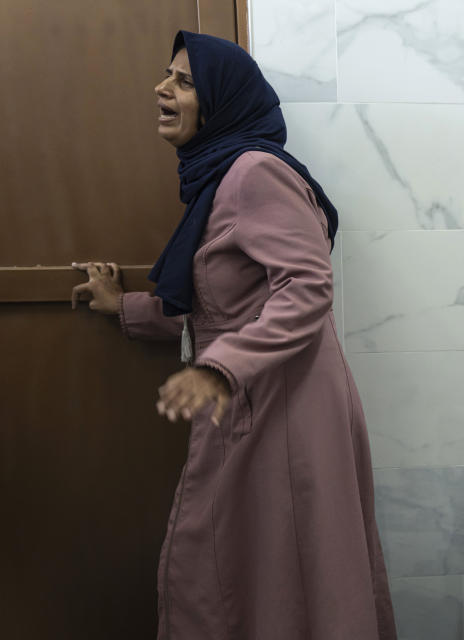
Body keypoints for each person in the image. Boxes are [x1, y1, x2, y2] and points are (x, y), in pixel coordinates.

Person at [70, 31, 396, 640]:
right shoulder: (217, 176)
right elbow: (222, 304)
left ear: (222, 99)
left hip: (288, 407)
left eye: (185, 81)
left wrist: (222, 367)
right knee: (251, 568)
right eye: (167, 75)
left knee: (282, 567)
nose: (162, 88)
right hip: (260, 396)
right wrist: (126, 309)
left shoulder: (253, 172)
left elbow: (308, 286)